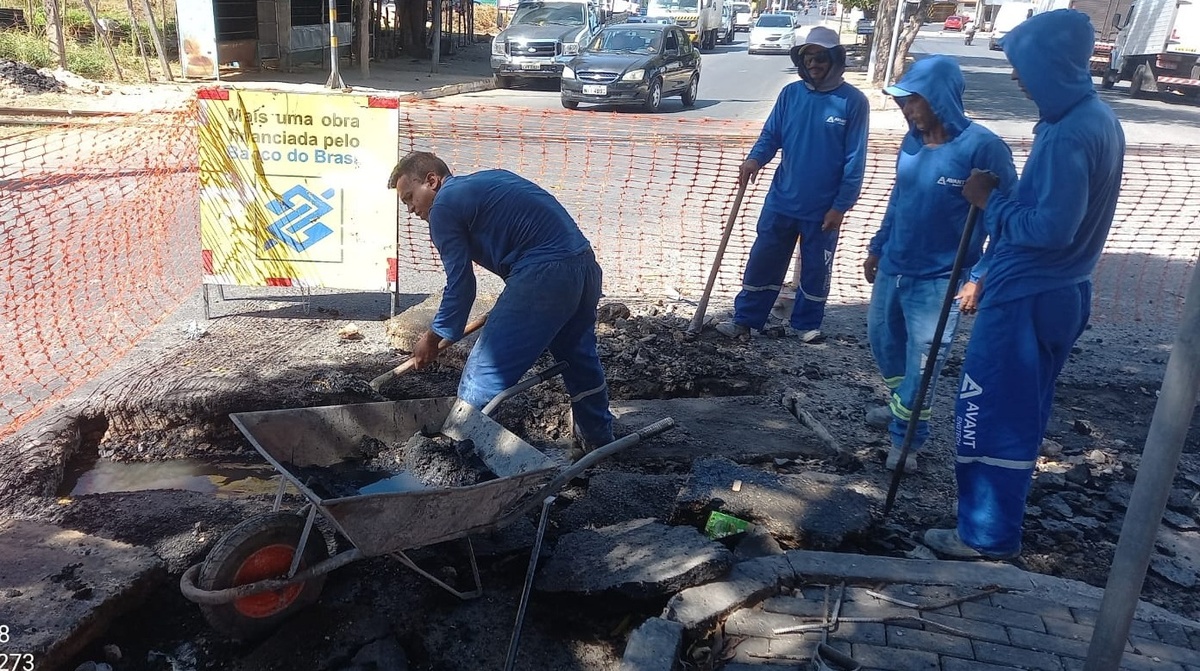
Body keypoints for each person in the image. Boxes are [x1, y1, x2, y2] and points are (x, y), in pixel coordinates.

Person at [923, 9, 1125, 560]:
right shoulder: (1095, 118)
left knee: (988, 414)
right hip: (1060, 291)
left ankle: (985, 537)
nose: (1016, 78)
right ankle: (992, 527)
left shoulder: (1069, 134)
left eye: (1021, 66)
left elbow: (1050, 229)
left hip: (1028, 295)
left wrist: (991, 202)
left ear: (1050, 65)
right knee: (1020, 413)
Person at [388, 151, 616, 452]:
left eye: (409, 198)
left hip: (544, 275)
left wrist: (433, 337)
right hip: (583, 268)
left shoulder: (443, 206)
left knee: (484, 374)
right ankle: (599, 439)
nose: (411, 209)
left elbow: (461, 285)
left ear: (432, 181)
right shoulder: (485, 180)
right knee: (577, 359)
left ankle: (457, 458)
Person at [863, 55, 1017, 474]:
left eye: (913, 101)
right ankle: (900, 406)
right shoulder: (911, 142)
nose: (906, 110)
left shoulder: (984, 148)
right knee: (883, 343)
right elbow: (899, 199)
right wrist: (877, 247)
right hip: (895, 267)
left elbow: (1006, 221)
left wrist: (980, 277)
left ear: (940, 99)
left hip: (942, 280)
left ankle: (906, 440)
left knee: (924, 361)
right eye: (901, 102)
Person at [715, 26, 869, 343]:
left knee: (815, 268)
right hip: (782, 200)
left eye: (821, 57)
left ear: (836, 59)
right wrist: (754, 160)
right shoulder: (791, 94)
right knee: (763, 260)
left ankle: (805, 324)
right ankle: (746, 319)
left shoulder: (853, 102)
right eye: (808, 57)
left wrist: (841, 206)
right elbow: (771, 135)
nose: (813, 64)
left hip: (823, 209)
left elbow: (855, 160)